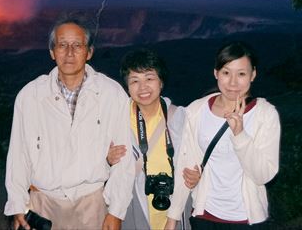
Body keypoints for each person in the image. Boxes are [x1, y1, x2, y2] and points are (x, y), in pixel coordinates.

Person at [4, 13, 135, 230]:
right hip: (42, 203)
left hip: (92, 203)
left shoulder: (111, 93)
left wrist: (116, 211)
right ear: (52, 52)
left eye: (77, 45)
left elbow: (123, 158)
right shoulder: (30, 96)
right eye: (62, 45)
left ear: (89, 52)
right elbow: (19, 155)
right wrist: (17, 203)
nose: (70, 53)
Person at [165, 41, 281, 230]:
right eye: (226, 73)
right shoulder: (197, 110)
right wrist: (172, 218)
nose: (233, 82)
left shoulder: (265, 115)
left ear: (253, 75)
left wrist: (240, 135)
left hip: (246, 220)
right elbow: (185, 166)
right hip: (205, 216)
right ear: (216, 73)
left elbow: (263, 175)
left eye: (241, 74)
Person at [107, 48, 199, 230]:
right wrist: (107, 160)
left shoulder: (180, 118)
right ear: (127, 86)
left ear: (161, 82)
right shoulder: (116, 120)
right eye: (134, 81)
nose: (142, 88)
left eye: (149, 78)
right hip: (132, 209)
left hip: (174, 210)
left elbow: (197, 160)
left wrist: (197, 175)